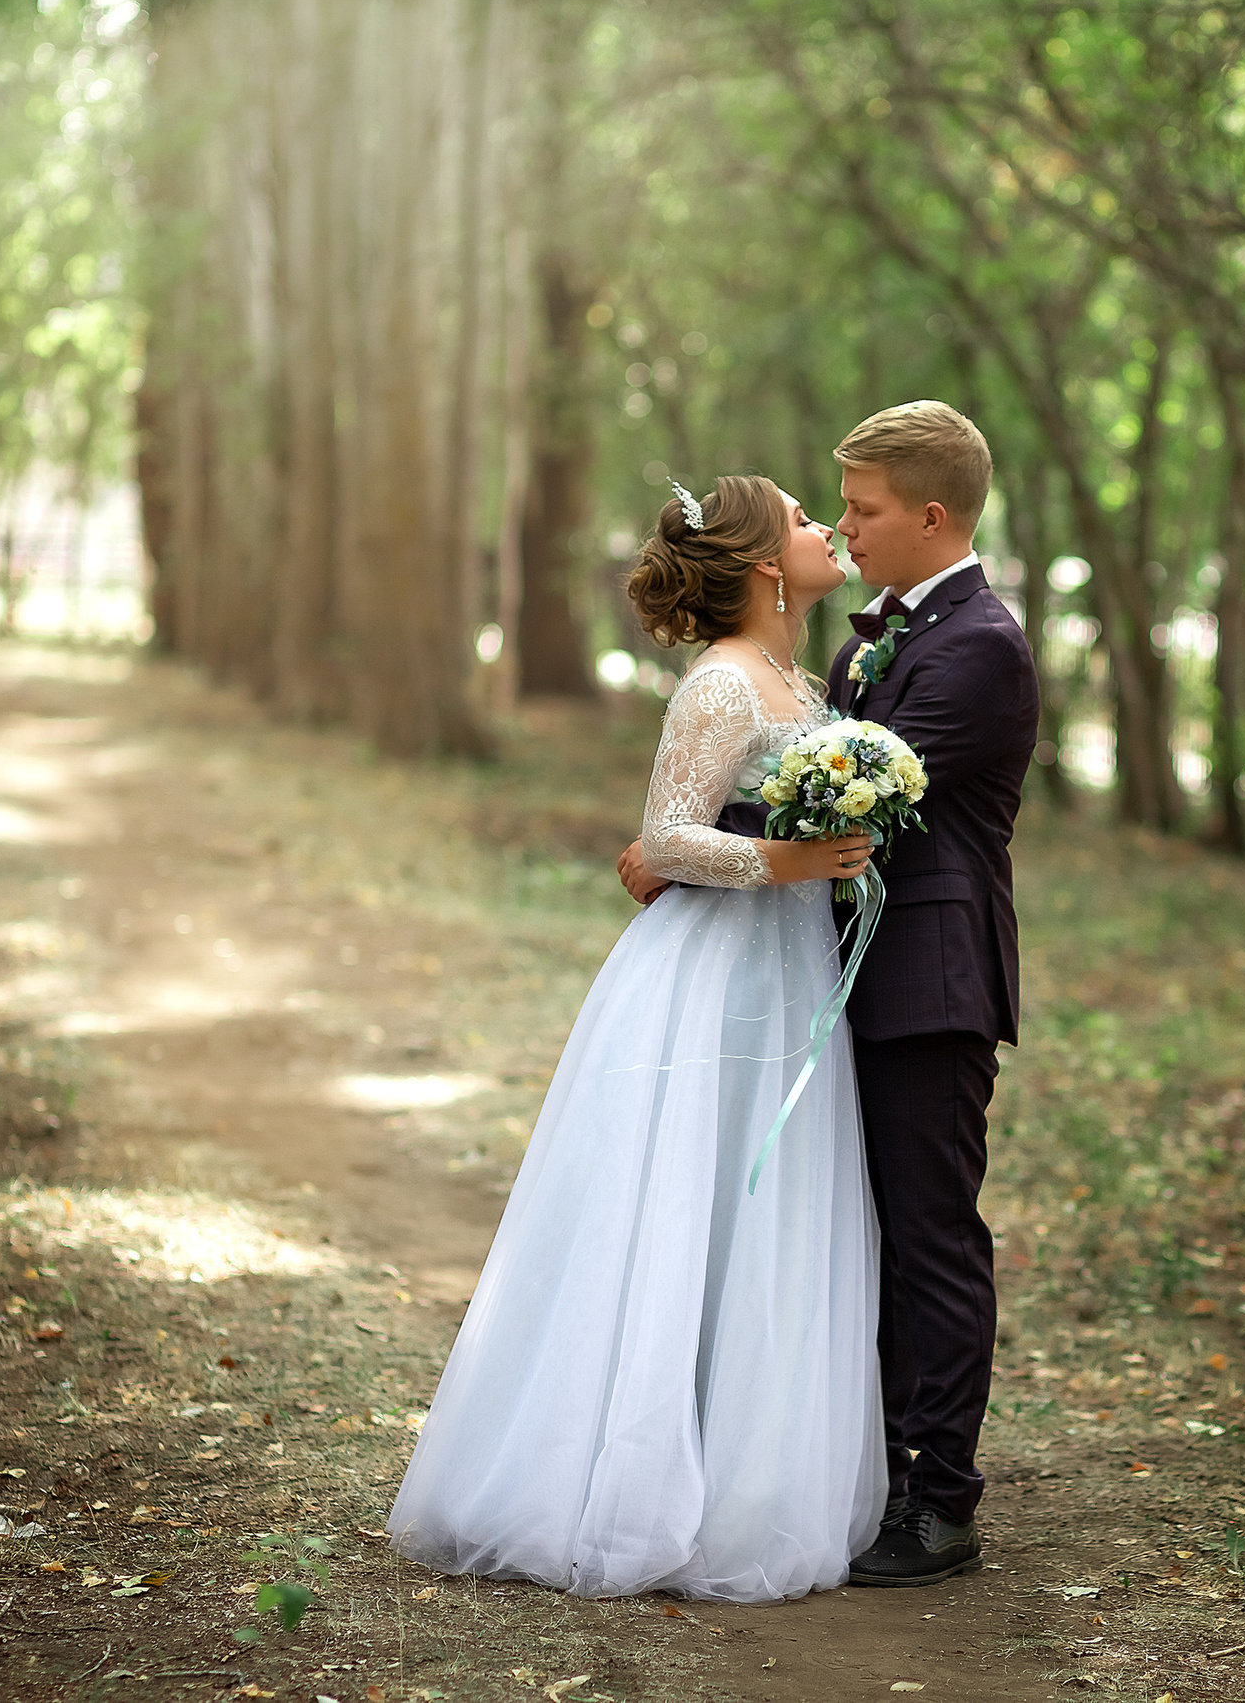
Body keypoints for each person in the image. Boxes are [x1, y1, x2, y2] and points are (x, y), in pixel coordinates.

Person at [388, 475, 882, 1603]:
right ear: (765, 565)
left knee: (755, 1216)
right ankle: (616, 1480)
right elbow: (665, 835)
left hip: (787, 970)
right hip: (714, 979)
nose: (823, 532)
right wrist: (785, 862)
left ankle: (741, 1468)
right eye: (806, 520)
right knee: (679, 1203)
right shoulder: (718, 684)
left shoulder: (795, 678)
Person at [620, 401, 1040, 1587]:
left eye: (858, 509)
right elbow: (817, 776)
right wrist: (696, 840)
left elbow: (868, 802)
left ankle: (940, 1498)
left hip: (927, 984)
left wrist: (680, 844)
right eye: (833, 511)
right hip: (821, 972)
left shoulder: (980, 647)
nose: (845, 526)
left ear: (931, 514)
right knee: (846, 1235)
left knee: (927, 1238)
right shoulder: (860, 646)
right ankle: (856, 1464)